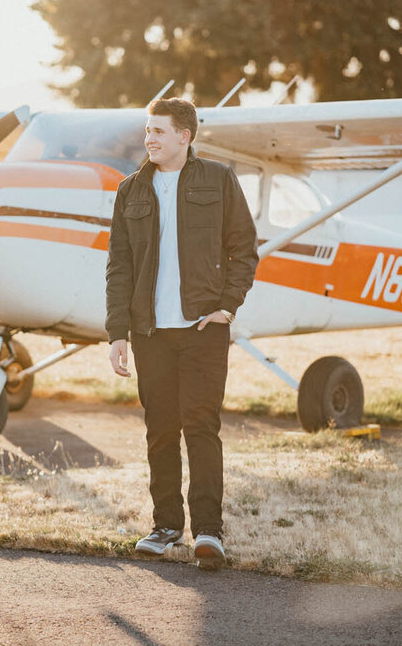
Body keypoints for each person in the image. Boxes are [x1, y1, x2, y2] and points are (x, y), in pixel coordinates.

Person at [105, 97, 259, 570]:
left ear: (184, 136)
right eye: (147, 130)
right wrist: (117, 333)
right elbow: (120, 267)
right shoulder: (131, 190)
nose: (148, 138)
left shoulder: (219, 180)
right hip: (151, 332)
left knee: (201, 427)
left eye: (158, 131)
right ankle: (166, 526)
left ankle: (208, 533)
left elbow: (244, 249)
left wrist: (226, 309)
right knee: (160, 432)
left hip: (203, 330)